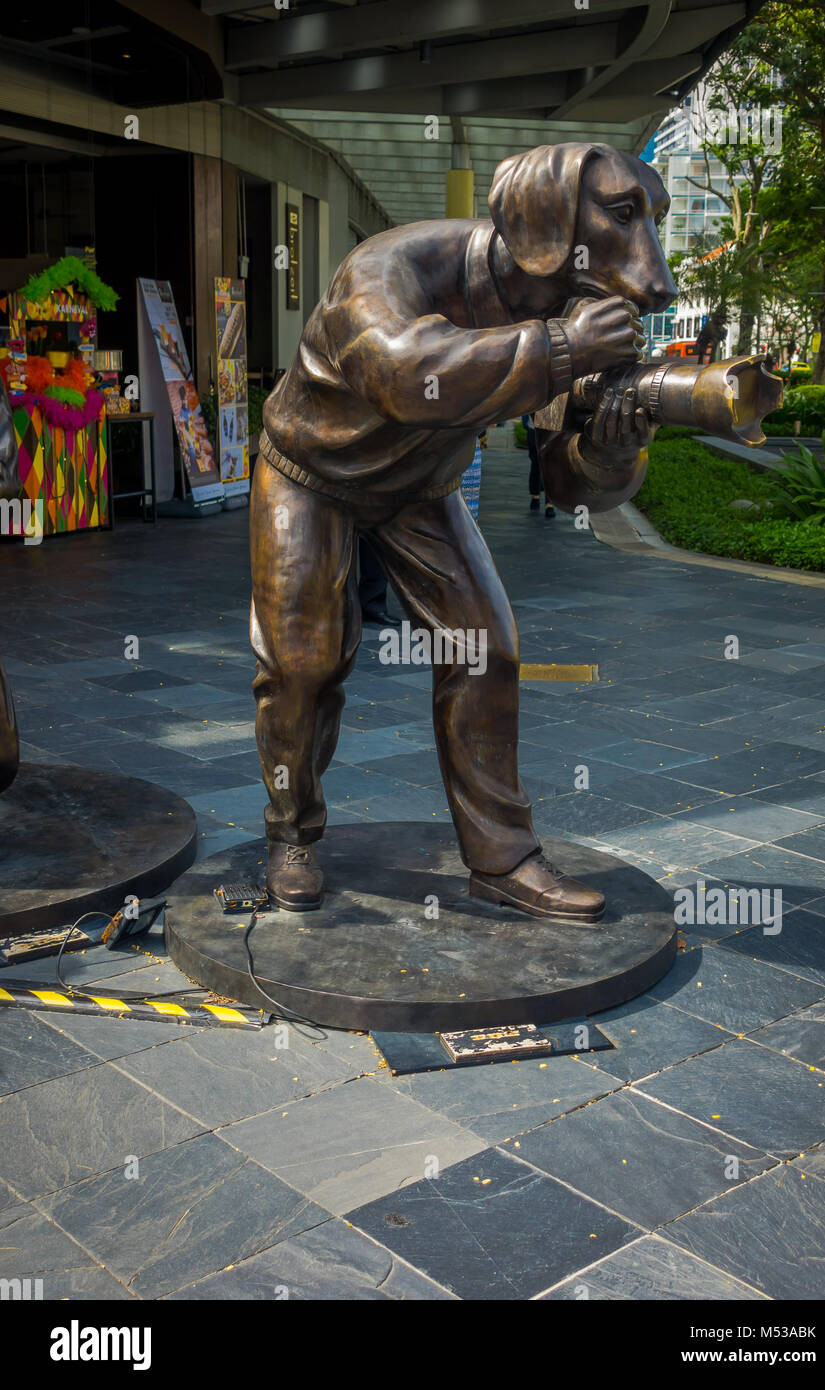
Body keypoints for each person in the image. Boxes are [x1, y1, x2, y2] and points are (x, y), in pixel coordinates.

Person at [250, 142, 674, 921]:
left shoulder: (565, 315)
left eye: (651, 223)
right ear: (544, 214)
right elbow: (406, 374)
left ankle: (502, 859)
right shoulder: (389, 266)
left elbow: (566, 481)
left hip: (421, 488)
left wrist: (612, 447)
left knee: (487, 646)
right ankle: (290, 831)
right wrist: (564, 350)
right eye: (621, 216)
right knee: (304, 665)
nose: (654, 275)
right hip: (312, 474)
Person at [524, 413, 555, 517]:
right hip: (535, 429)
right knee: (536, 464)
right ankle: (535, 497)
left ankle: (549, 503)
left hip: (553, 429)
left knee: (550, 466)